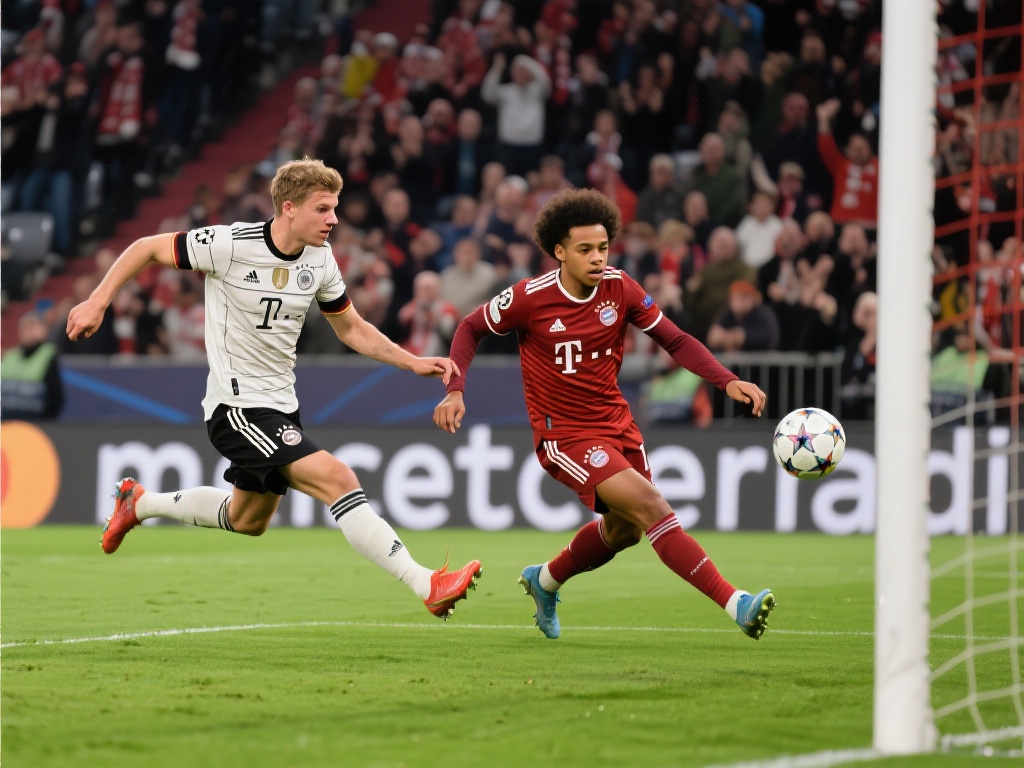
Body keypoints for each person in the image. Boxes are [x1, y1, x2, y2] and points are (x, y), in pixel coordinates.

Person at [66, 158, 482, 620]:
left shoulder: (320, 259)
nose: (334, 219)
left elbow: (351, 328)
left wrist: (412, 361)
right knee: (339, 479)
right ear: (289, 207)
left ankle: (139, 503)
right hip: (236, 408)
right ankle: (426, 583)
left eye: (335, 208)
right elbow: (146, 247)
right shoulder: (229, 244)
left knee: (248, 520)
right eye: (323, 209)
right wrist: (98, 301)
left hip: (281, 407)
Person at [433, 189, 775, 640]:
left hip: (618, 425)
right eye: (585, 250)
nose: (597, 258)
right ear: (559, 251)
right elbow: (470, 326)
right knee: (653, 507)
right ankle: (737, 603)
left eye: (603, 247)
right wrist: (455, 390)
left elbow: (675, 339)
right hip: (565, 436)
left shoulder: (620, 287)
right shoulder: (530, 297)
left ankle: (545, 580)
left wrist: (725, 380)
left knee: (625, 531)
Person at [1, 310, 65, 421]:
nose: (27, 331)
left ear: (43, 330)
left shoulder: (48, 354)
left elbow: (56, 397)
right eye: (24, 328)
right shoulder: (10, 356)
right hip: (8, 423)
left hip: (36, 423)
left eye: (32, 326)